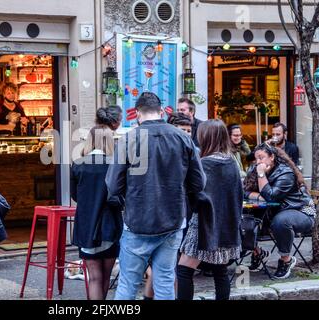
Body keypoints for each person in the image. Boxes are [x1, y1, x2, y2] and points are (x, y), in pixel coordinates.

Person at [106, 92, 205, 300]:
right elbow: (199, 182)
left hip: (137, 220)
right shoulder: (182, 138)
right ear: (161, 112)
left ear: (137, 115)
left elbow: (113, 185)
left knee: (128, 284)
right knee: (165, 281)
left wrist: (128, 197)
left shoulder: (129, 139)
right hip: (173, 219)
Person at [176, 119, 243, 300]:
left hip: (204, 224)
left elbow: (195, 195)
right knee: (220, 271)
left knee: (183, 270)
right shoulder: (232, 163)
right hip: (226, 225)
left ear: (207, 138)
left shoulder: (204, 164)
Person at [243, 143, 315, 279]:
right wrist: (258, 196)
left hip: (301, 212)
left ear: (272, 157)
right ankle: (258, 253)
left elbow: (271, 197)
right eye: (256, 158)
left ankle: (286, 260)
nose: (258, 162)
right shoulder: (254, 169)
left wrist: (261, 174)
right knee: (244, 220)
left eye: (262, 157)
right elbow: (243, 190)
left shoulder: (286, 173)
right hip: (272, 212)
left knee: (281, 221)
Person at [70, 125, 123, 300]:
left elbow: (75, 196)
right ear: (110, 141)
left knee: (94, 278)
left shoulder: (78, 164)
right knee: (106, 277)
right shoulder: (115, 164)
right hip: (111, 225)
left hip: (86, 225)